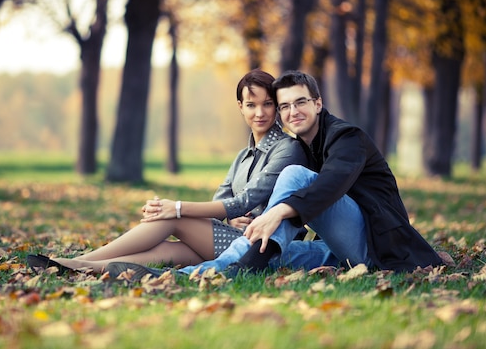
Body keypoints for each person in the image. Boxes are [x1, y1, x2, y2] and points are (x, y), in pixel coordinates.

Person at [106, 70, 442, 279]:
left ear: (318, 103)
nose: (291, 111)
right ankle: (188, 274)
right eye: (285, 106)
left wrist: (276, 212)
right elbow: (228, 200)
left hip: (374, 248)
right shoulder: (303, 145)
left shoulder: (347, 138)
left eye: (300, 102)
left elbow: (331, 185)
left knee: (294, 177)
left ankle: (224, 268)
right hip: (338, 251)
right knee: (280, 256)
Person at [26, 69, 308, 274]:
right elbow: (221, 199)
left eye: (267, 104)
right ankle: (83, 268)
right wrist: (227, 217)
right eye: (251, 105)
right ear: (241, 108)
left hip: (259, 246)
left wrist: (177, 208)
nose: (259, 113)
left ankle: (76, 261)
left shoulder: (286, 149)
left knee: (170, 219)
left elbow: (244, 202)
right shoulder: (242, 156)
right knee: (167, 252)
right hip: (231, 235)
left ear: (276, 106)